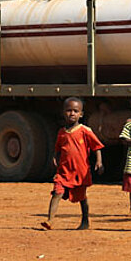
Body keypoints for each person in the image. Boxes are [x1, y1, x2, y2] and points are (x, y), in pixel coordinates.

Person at [41, 97, 104, 230]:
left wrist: (99, 161)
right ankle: (50, 220)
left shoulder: (85, 131)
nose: (72, 114)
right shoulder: (62, 132)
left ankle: (85, 220)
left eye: (75, 111)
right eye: (69, 110)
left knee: (82, 198)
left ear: (81, 114)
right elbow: (58, 148)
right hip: (64, 171)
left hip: (80, 172)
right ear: (63, 112)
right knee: (57, 192)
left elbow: (96, 147)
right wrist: (55, 157)